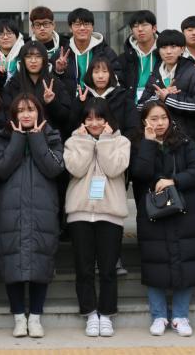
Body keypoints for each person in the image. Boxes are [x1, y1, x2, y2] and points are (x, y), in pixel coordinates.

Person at [130, 100, 195, 337]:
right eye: (154, 118)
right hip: (153, 213)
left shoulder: (184, 142)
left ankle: (181, 316)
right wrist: (149, 143)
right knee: (155, 264)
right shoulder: (137, 143)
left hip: (185, 211)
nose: (160, 123)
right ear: (144, 121)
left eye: (163, 117)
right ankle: (159, 316)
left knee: (187, 261)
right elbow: (140, 173)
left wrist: (174, 181)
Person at [0, 94, 65, 338]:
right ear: (13, 114)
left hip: (42, 210)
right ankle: (18, 317)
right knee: (12, 262)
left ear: (39, 113)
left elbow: (54, 168)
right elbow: (1, 169)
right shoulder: (2, 137)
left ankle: (35, 317)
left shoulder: (52, 136)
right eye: (21, 110)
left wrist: (35, 137)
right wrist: (17, 138)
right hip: (10, 210)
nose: (26, 114)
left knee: (40, 262)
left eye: (31, 109)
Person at [63, 98, 131, 338]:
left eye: (99, 118)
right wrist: (84, 142)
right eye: (89, 118)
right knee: (84, 269)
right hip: (80, 213)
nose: (94, 123)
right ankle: (90, 313)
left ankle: (107, 313)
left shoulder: (121, 142)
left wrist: (105, 142)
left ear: (108, 120)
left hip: (110, 214)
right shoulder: (73, 141)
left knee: (108, 269)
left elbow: (114, 169)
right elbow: (76, 169)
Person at [138, 29, 195, 142]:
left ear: (182, 49)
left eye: (173, 47)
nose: (168, 52)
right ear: (159, 50)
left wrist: (168, 98)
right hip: (158, 140)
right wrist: (158, 96)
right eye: (164, 47)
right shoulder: (154, 75)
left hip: (190, 139)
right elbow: (140, 107)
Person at [2, 40, 72, 134]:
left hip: (49, 137)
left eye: (38, 56)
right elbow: (7, 115)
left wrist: (52, 102)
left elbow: (66, 117)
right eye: (28, 57)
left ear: (44, 59)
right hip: (19, 135)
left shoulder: (54, 82)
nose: (33, 61)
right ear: (23, 60)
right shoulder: (13, 84)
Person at [71, 56, 140, 141]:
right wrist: (80, 104)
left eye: (105, 71)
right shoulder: (83, 96)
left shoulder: (123, 97)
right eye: (96, 72)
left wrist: (119, 143)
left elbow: (133, 128)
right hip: (86, 145)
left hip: (117, 145)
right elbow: (71, 126)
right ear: (90, 75)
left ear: (111, 74)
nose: (100, 76)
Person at [53, 8, 118, 89]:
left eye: (86, 24)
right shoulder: (61, 55)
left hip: (97, 96)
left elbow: (117, 78)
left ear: (92, 27)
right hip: (71, 97)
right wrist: (59, 71)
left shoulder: (106, 53)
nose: (82, 28)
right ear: (70, 28)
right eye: (77, 24)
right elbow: (52, 83)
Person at [116, 10, 159, 104]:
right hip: (132, 107)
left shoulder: (165, 53)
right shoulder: (123, 58)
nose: (140, 29)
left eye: (144, 25)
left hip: (160, 107)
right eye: (135, 26)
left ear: (154, 28)